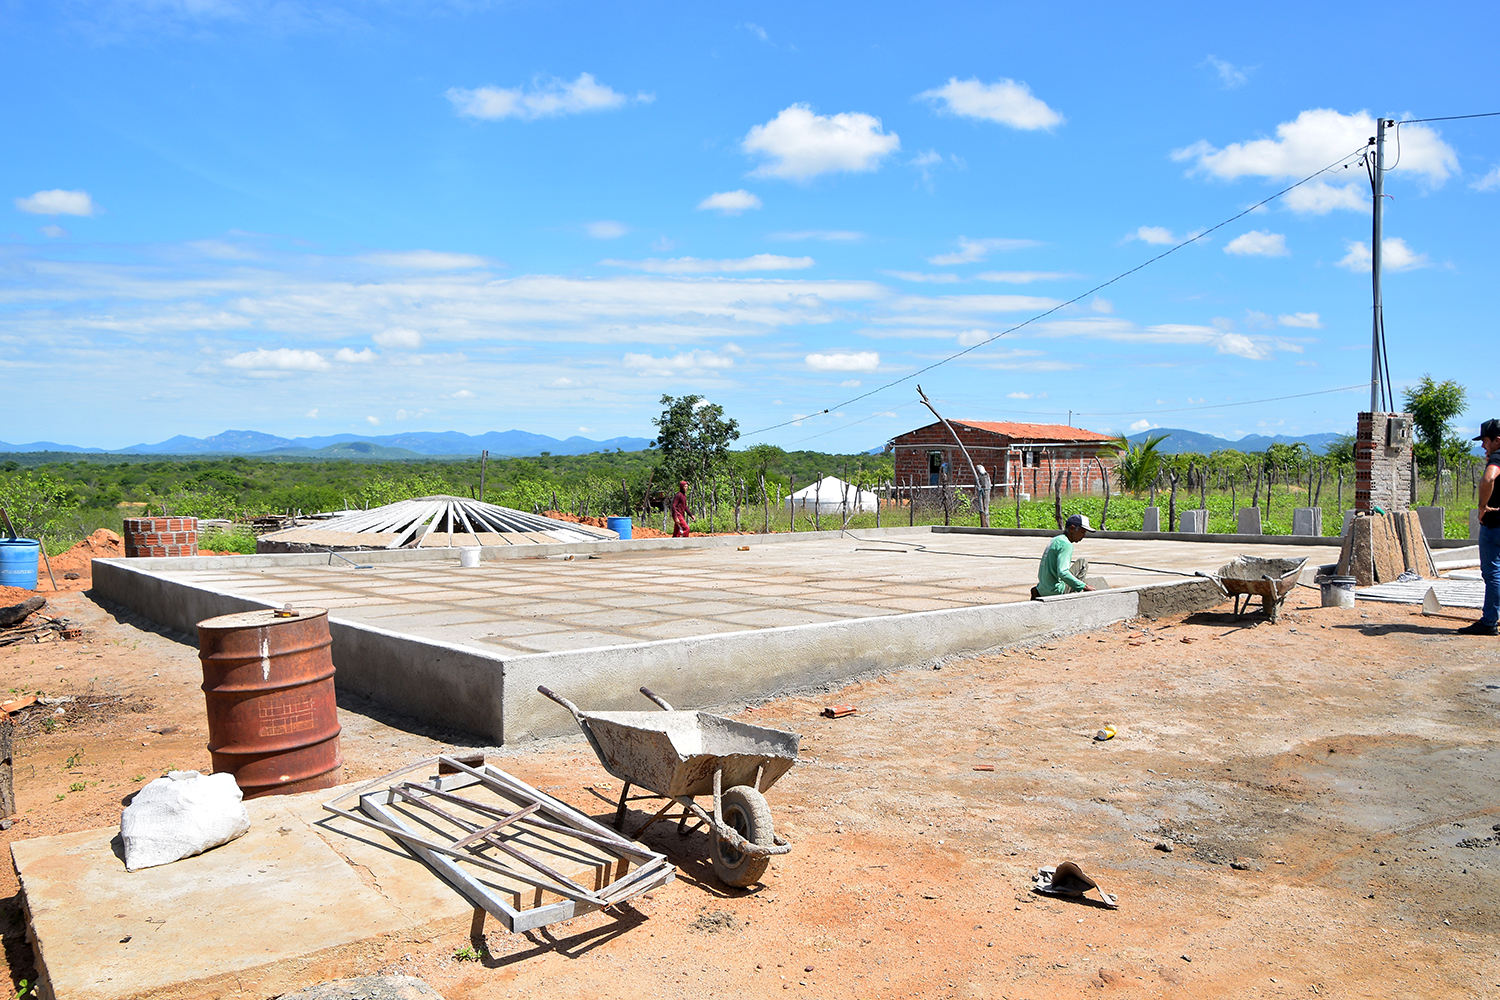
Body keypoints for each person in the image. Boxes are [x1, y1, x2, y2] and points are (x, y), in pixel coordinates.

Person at [1460, 419, 1500, 635]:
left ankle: (1489, 621)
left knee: (1492, 573)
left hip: (1495, 524)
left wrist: (1483, 506)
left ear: (1497, 440)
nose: (1483, 446)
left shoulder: (1497, 458)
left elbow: (1488, 479)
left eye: (1485, 441)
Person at [1033, 513, 1095, 599]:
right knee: (1082, 563)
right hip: (1056, 591)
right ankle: (1074, 598)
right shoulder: (1066, 545)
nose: (1084, 536)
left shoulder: (1056, 540)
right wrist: (1084, 586)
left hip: (1043, 589)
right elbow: (1063, 572)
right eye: (1082, 532)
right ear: (1072, 528)